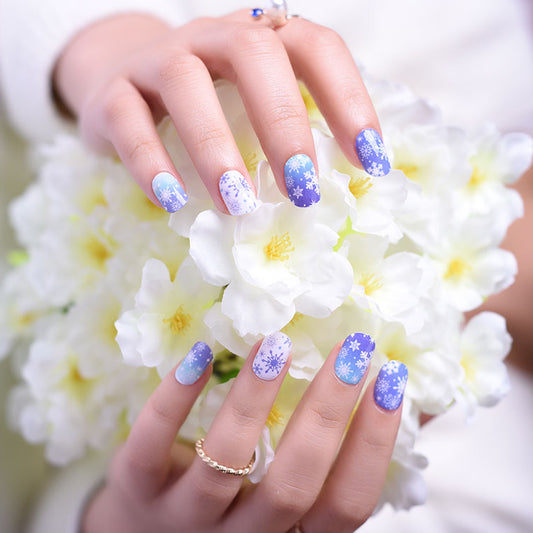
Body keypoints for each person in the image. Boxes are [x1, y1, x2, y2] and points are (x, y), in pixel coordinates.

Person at [1, 1, 532, 532]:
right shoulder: (488, 64)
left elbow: (48, 504)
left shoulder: (495, 486)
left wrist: (111, 521)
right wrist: (104, 43)